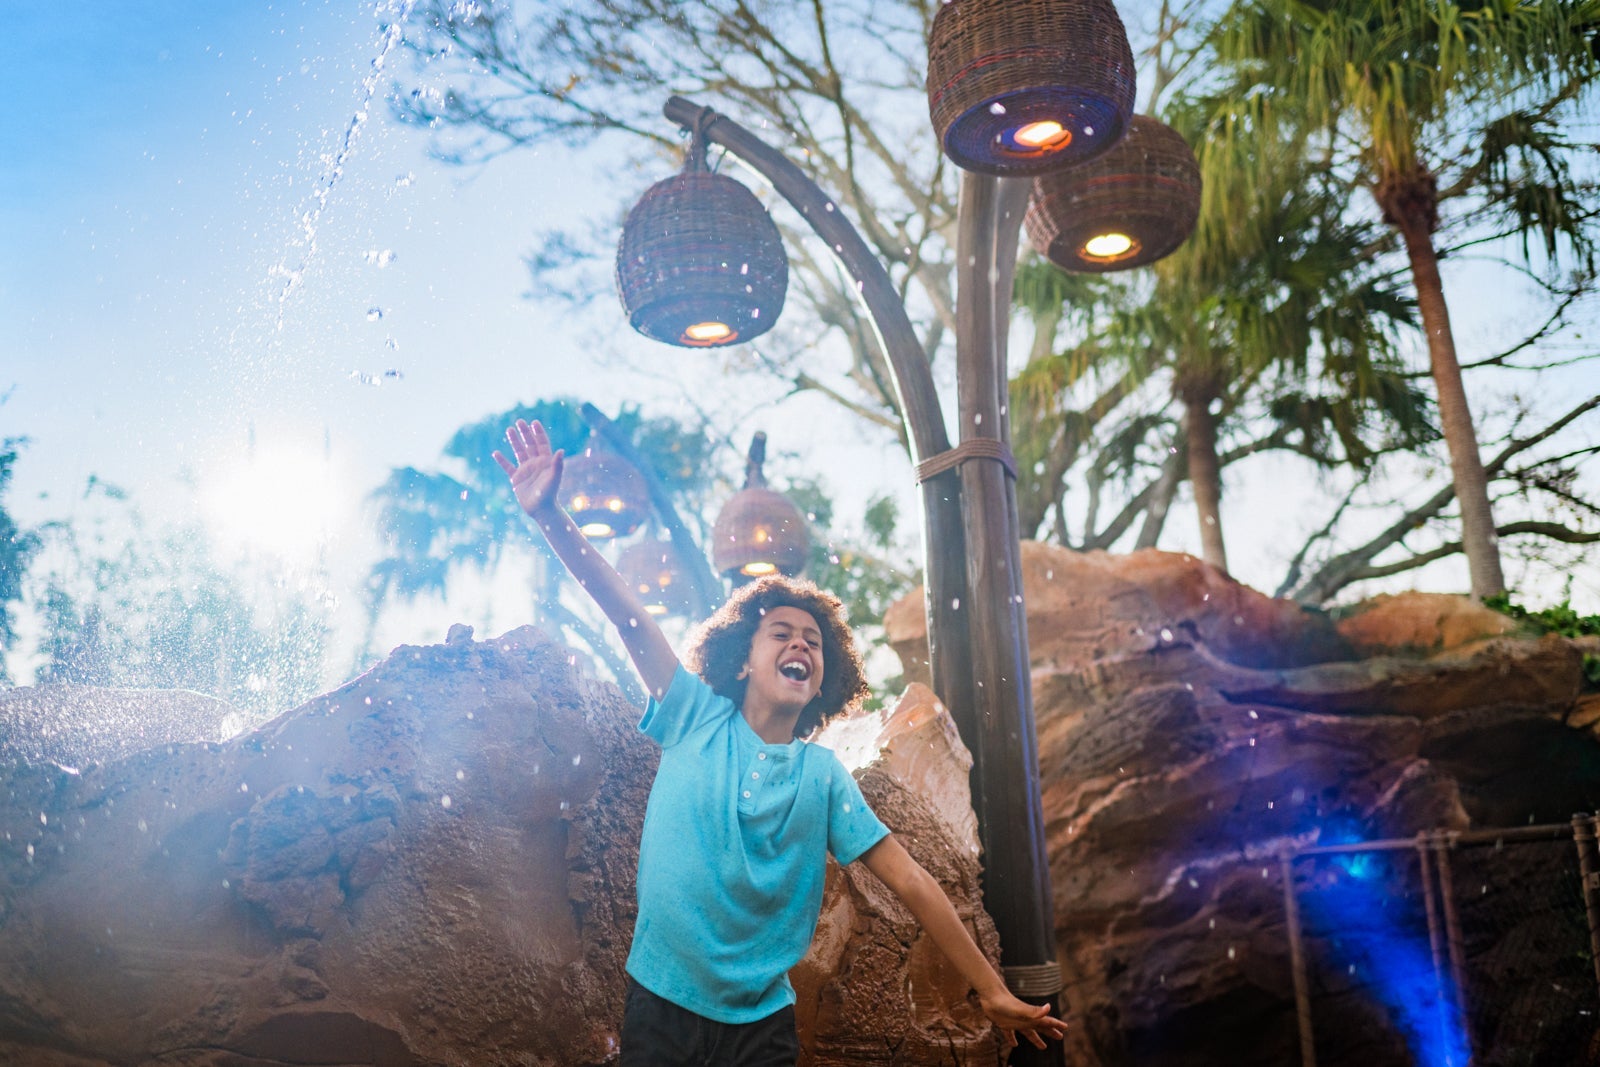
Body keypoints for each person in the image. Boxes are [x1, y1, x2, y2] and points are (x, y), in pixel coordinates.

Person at [494, 418, 1067, 1065]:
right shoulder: (692, 715)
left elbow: (912, 880)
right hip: (661, 1002)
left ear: (822, 680)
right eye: (781, 633)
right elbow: (625, 612)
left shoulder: (822, 777)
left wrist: (991, 989)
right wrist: (549, 516)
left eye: (813, 641)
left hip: (762, 1026)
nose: (800, 643)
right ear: (742, 661)